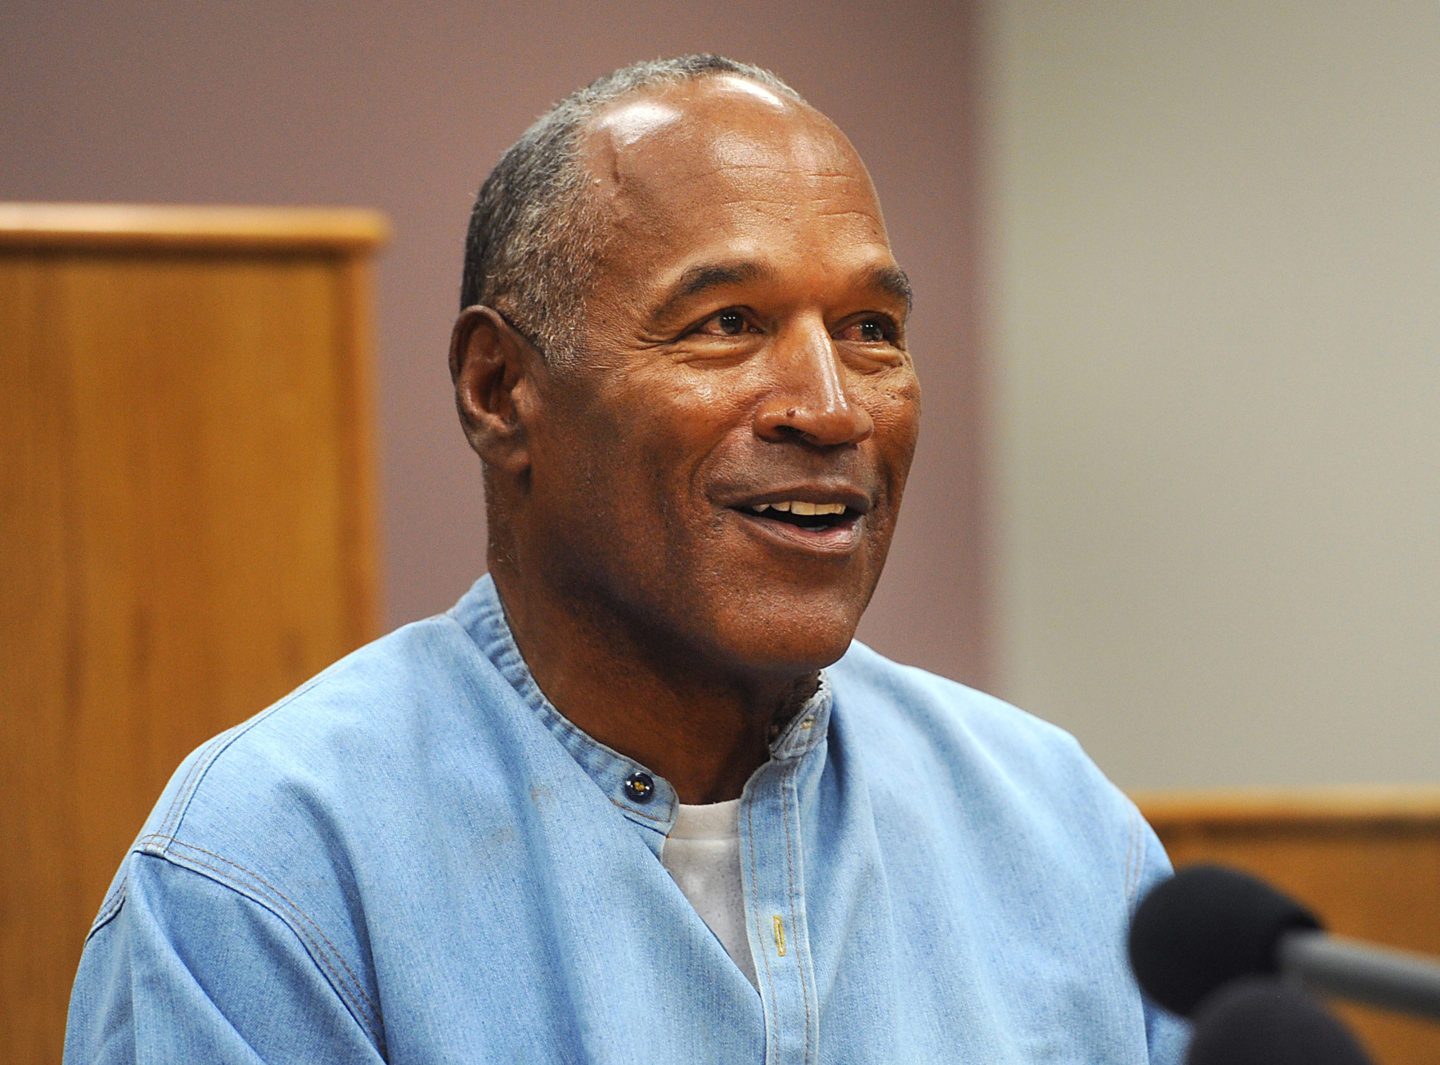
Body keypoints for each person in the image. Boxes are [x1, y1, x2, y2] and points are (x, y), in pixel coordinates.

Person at [65, 55, 1188, 1063]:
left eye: (871, 331)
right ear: (500, 390)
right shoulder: (271, 875)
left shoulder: (1063, 837)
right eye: (728, 322)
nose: (832, 407)